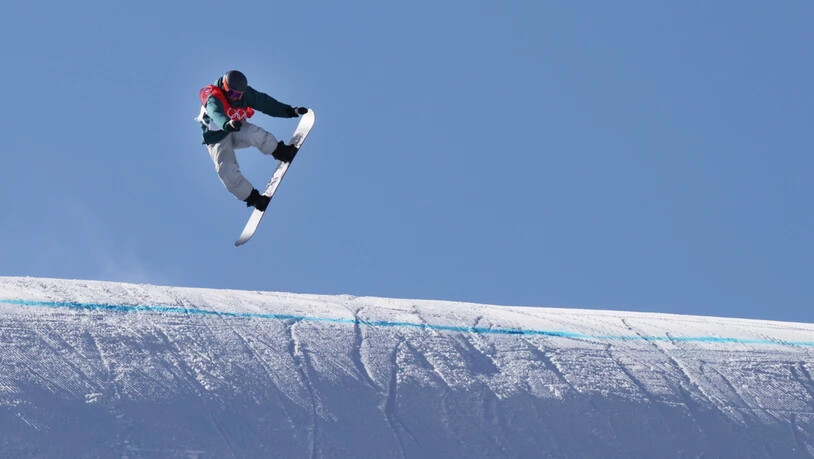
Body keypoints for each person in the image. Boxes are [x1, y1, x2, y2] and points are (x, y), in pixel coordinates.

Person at [197, 70, 308, 211]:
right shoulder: (213, 97)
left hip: (235, 129)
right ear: (224, 87)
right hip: (217, 139)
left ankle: (280, 151)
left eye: (239, 95)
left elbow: (265, 103)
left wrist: (290, 111)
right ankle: (253, 198)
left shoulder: (245, 95)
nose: (236, 98)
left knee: (253, 133)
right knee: (226, 170)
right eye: (232, 94)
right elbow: (216, 113)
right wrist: (226, 124)